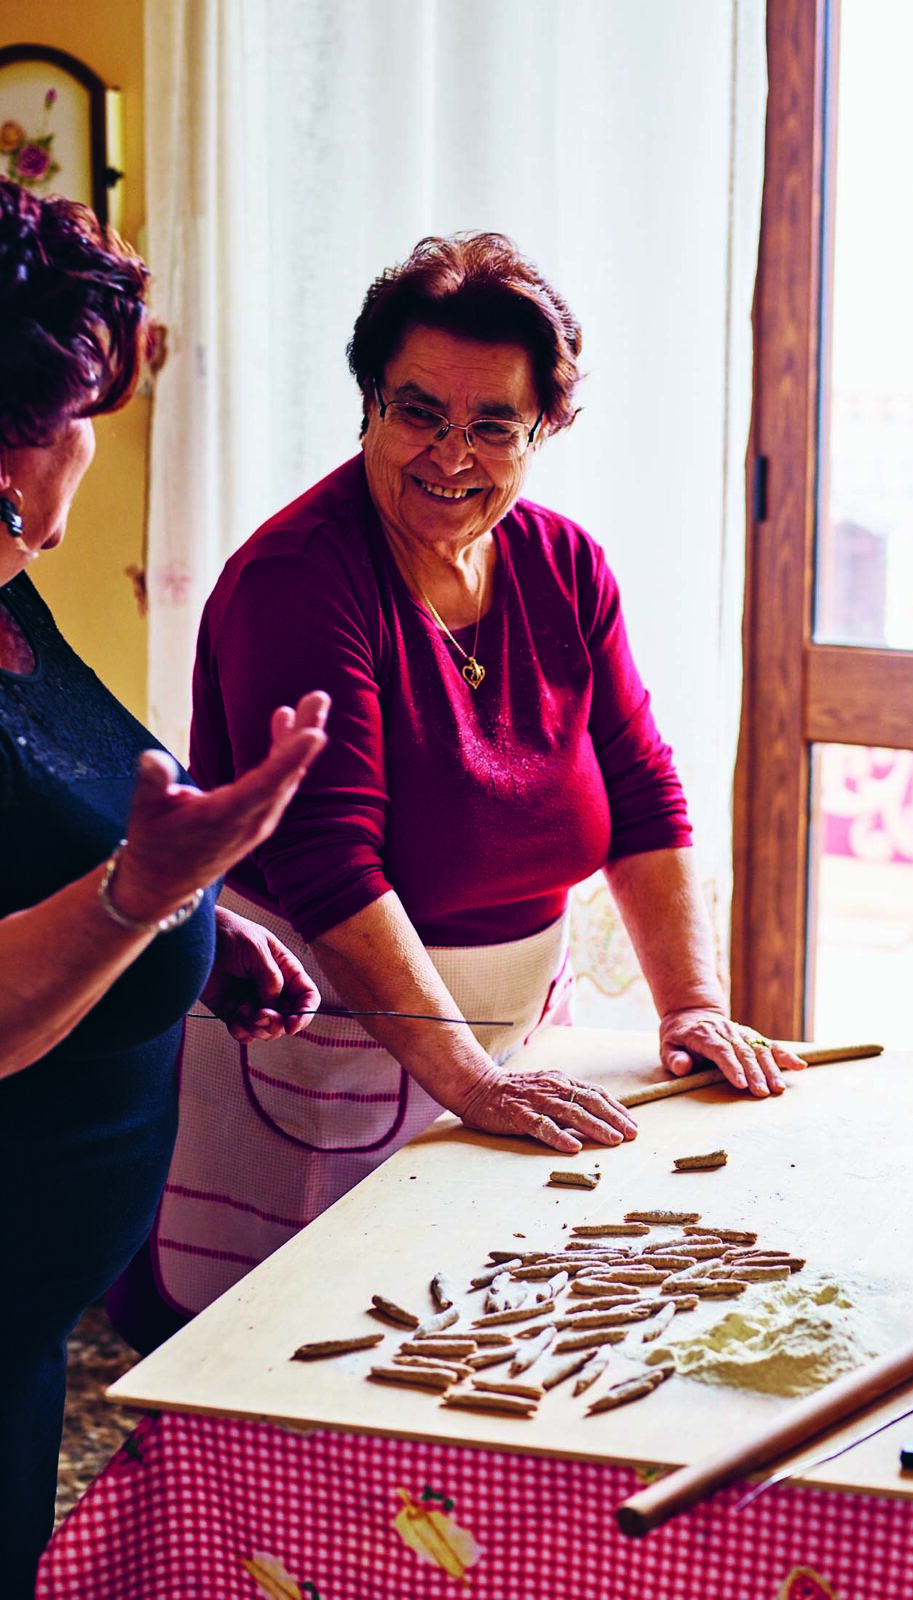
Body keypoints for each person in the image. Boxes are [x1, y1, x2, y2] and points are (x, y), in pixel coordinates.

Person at [125, 231, 799, 1336]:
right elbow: (326, 859)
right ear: (369, 403)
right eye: (417, 411)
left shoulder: (563, 563)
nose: (451, 452)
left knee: (491, 1322)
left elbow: (640, 789)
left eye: (493, 423)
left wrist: (692, 1008)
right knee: (326, 1349)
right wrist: (469, 1081)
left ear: (544, 429)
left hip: (516, 1020)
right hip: (331, 1030)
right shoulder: (300, 578)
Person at [0, 179, 330, 1592]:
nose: (90, 450)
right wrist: (144, 897)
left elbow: (49, 826)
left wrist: (204, 920)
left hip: (27, 1320)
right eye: (83, 417)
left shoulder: (9, 591)